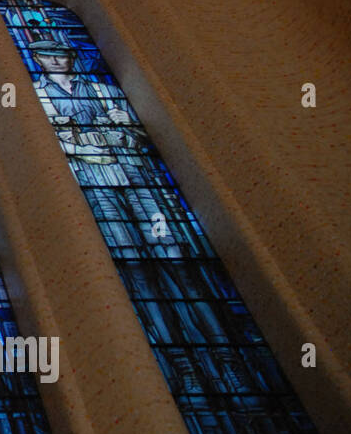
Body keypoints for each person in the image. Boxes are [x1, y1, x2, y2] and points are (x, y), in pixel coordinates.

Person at [27, 39, 237, 393]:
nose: (54, 60)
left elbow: (143, 135)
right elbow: (39, 142)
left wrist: (128, 128)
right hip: (95, 185)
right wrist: (79, 147)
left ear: (71, 56)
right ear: (37, 59)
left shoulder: (104, 90)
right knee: (134, 271)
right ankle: (180, 369)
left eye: (60, 53)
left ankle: (228, 361)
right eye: (46, 55)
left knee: (178, 263)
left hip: (139, 178)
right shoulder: (34, 97)